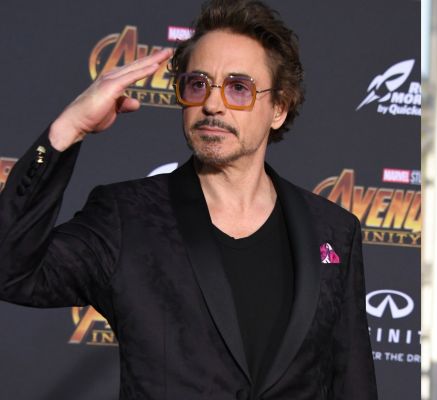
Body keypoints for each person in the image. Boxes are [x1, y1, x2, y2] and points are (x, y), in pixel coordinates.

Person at [0, 0, 377, 399]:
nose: (212, 105)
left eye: (238, 88)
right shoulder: (127, 217)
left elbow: (352, 384)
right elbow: (10, 271)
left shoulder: (333, 231)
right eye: (198, 84)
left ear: (279, 108)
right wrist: (68, 129)